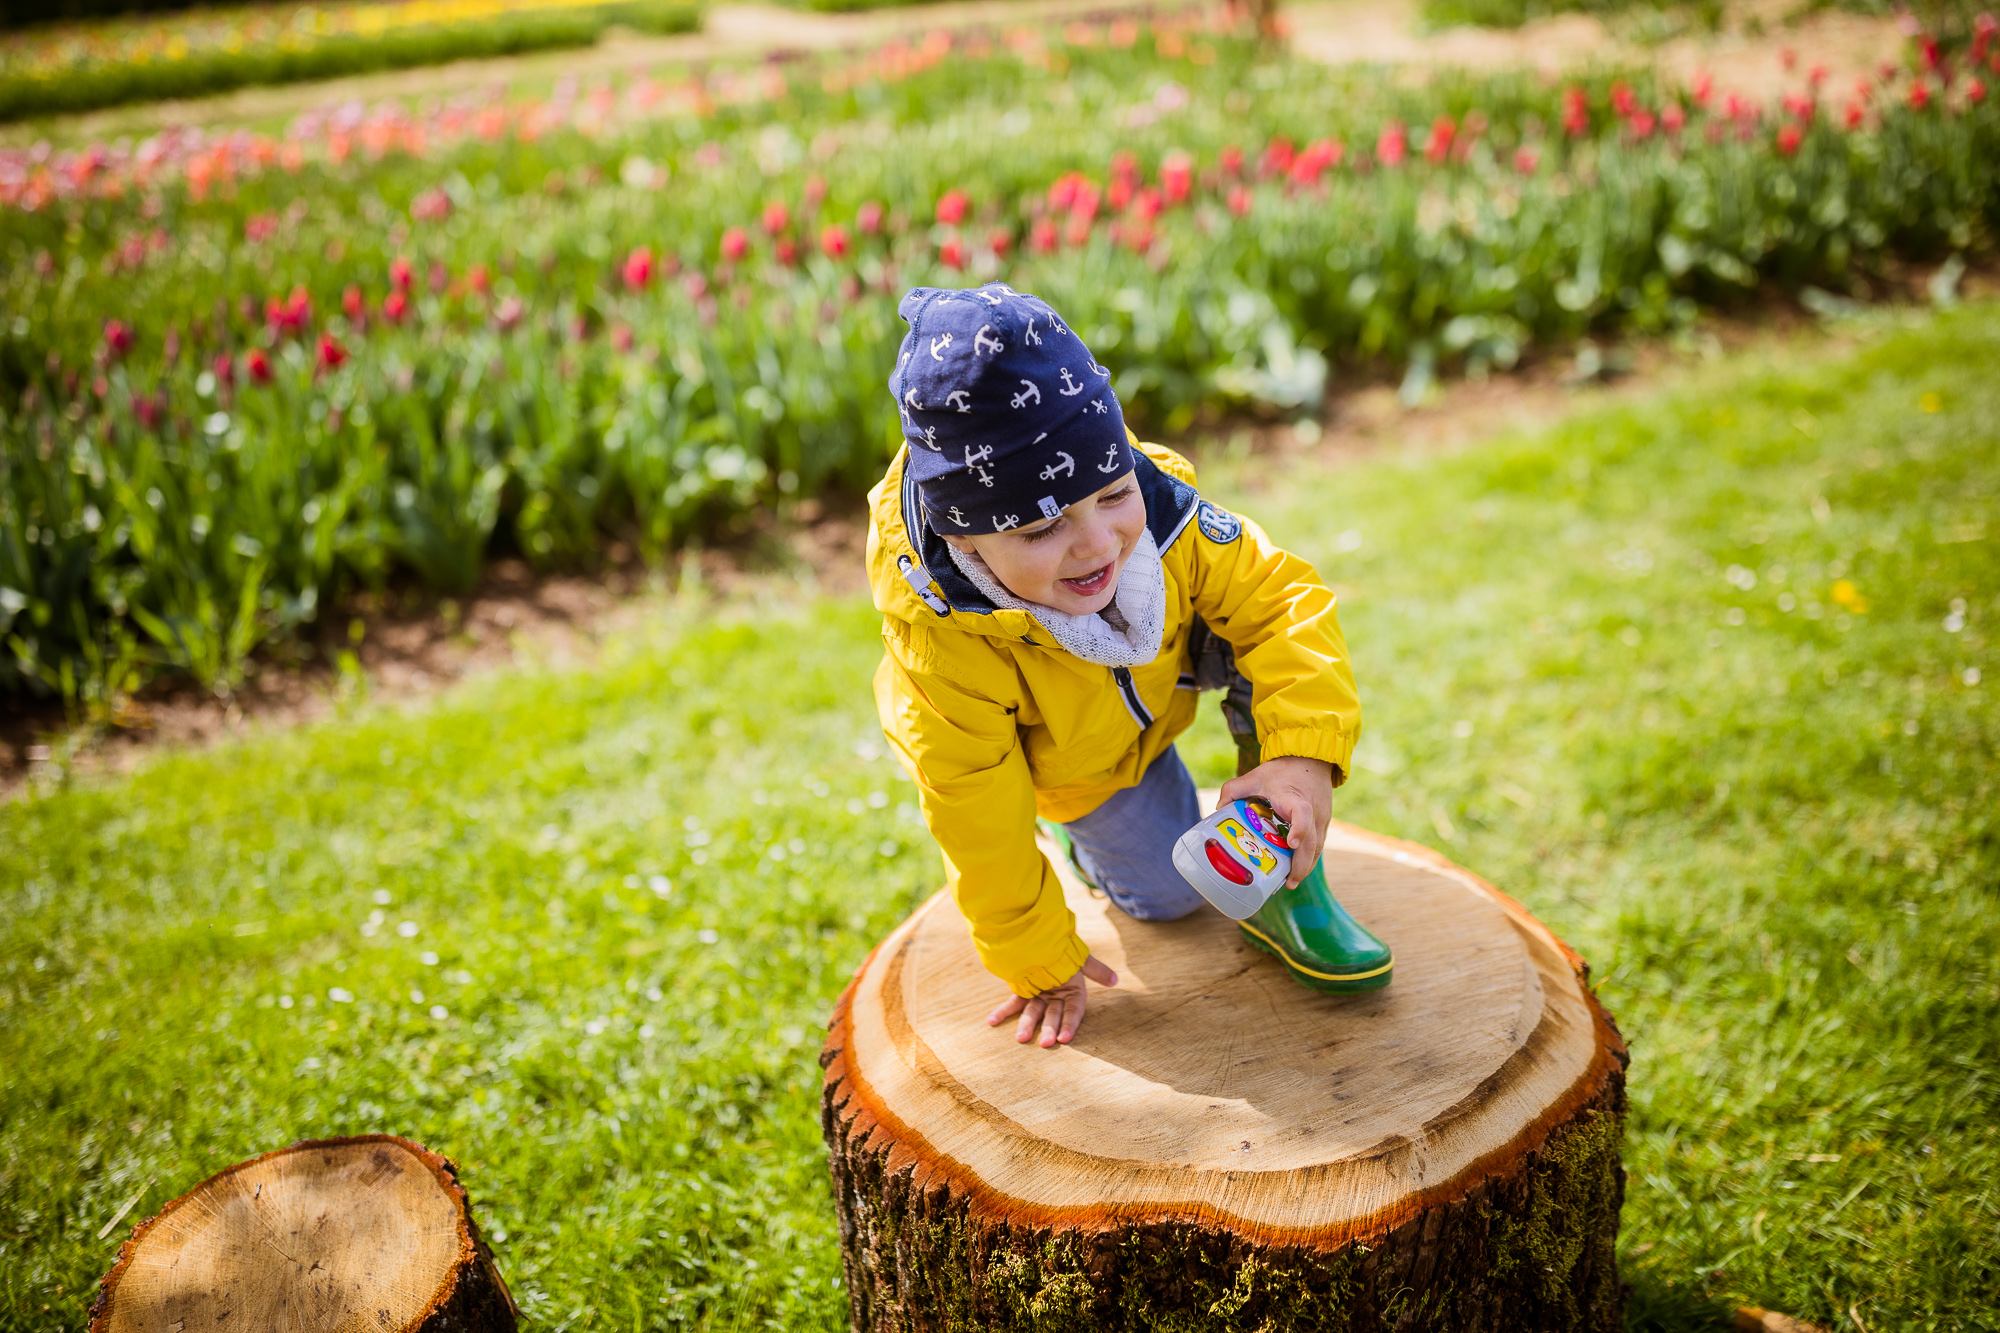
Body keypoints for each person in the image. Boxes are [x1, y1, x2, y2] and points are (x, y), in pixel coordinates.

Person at [867, 282, 1387, 1051]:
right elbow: (972, 807)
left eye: (1113, 493)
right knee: (1171, 894)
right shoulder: (944, 646)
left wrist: (1301, 753)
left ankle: (1286, 867)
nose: (1098, 544)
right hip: (1085, 765)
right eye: (1043, 528)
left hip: (1167, 671)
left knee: (1255, 632)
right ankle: (1090, 837)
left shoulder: (1165, 519)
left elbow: (1283, 603)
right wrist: (1034, 953)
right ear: (968, 541)